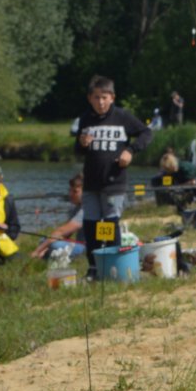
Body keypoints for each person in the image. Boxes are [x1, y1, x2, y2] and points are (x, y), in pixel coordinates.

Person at [72, 74, 152, 279]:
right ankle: (93, 268)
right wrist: (81, 144)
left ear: (112, 98)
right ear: (90, 98)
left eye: (104, 97)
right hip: (91, 183)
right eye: (97, 97)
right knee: (90, 225)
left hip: (114, 183)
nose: (100, 102)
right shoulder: (85, 119)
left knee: (108, 224)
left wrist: (131, 151)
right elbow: (78, 151)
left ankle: (113, 267)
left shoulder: (122, 117)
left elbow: (146, 133)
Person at [31, 174, 85, 260]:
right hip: (79, 244)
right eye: (70, 190)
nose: (70, 194)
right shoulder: (76, 207)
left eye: (75, 191)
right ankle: (46, 254)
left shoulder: (86, 209)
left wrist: (37, 251)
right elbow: (66, 234)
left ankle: (44, 255)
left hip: (86, 248)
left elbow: (61, 231)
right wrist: (45, 247)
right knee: (44, 240)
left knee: (55, 245)